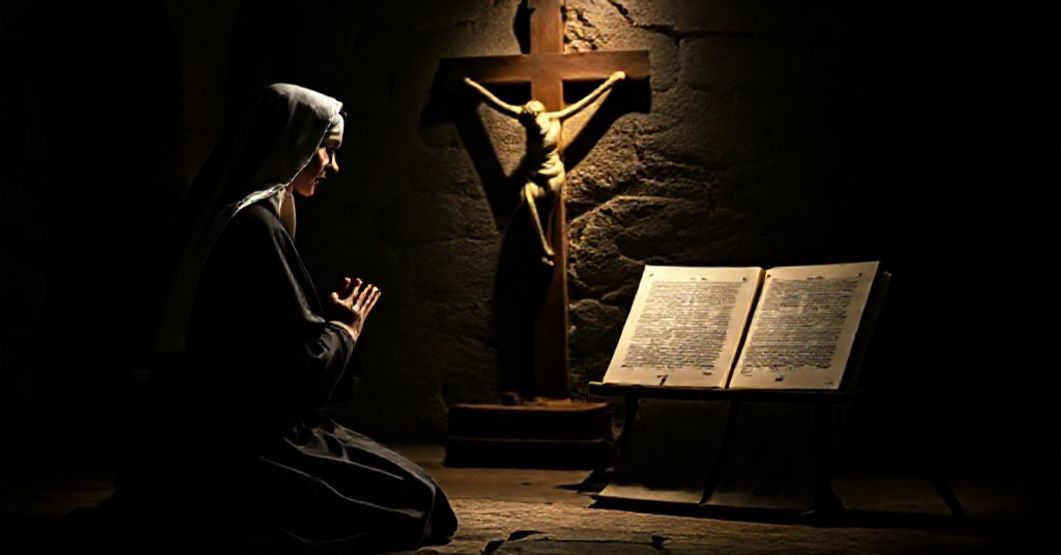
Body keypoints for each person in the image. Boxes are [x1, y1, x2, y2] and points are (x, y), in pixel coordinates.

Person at [98, 83, 457, 553]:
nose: (333, 166)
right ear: (295, 145)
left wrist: (320, 325)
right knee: (418, 503)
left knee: (415, 495)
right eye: (328, 150)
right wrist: (345, 329)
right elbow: (301, 371)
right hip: (247, 439)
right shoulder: (257, 227)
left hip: (217, 425)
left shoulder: (239, 218)